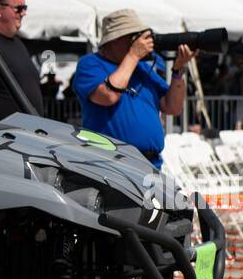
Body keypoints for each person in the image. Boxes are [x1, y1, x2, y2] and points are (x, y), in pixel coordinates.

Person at [72, 9, 194, 168]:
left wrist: (178, 69)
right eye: (133, 37)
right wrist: (133, 55)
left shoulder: (141, 67)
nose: (138, 42)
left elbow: (173, 107)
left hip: (150, 164)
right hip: (110, 164)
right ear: (114, 39)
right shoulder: (90, 64)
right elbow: (108, 96)